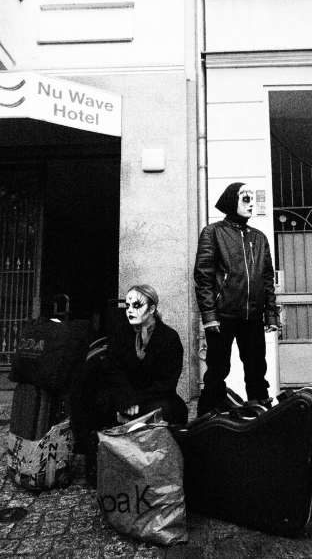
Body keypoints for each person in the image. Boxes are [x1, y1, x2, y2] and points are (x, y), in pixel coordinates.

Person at [70, 284, 188, 487]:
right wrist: (124, 400)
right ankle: (100, 462)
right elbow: (112, 370)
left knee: (167, 411)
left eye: (137, 305)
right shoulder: (121, 333)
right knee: (96, 401)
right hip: (124, 396)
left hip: (153, 397)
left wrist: (135, 404)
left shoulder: (169, 338)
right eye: (127, 306)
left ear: (152, 309)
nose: (130, 310)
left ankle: (155, 468)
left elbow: (166, 382)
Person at [194, 182, 279, 417]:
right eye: (245, 198)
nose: (251, 204)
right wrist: (209, 316)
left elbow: (267, 279)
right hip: (222, 316)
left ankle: (260, 417)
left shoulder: (259, 238)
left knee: (256, 369)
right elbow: (203, 276)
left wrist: (270, 315)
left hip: (253, 316)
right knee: (217, 370)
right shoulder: (213, 232)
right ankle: (206, 421)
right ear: (232, 201)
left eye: (252, 199)